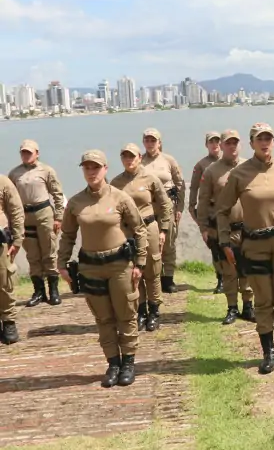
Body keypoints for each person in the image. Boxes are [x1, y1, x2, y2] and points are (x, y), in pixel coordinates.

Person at [215, 122, 274, 374]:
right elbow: (222, 210)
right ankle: (268, 354)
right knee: (264, 300)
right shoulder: (240, 174)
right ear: (252, 143)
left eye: (268, 138)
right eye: (259, 138)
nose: (264, 142)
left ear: (273, 141)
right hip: (254, 244)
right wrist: (225, 241)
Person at [58, 150, 148, 388]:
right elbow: (67, 235)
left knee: (126, 314)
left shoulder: (119, 197)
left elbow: (139, 230)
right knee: (103, 318)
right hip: (90, 268)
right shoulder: (76, 203)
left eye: (96, 167)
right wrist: (62, 264)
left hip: (119, 266)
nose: (91, 172)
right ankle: (113, 364)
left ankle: (129, 363)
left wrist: (140, 262)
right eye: (87, 168)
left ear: (105, 169)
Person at [111, 143, 173, 332]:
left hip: (149, 227)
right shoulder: (115, 183)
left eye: (132, 156)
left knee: (152, 270)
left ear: (139, 157)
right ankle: (141, 310)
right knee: (133, 271)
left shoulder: (150, 179)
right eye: (125, 157)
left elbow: (165, 205)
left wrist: (163, 229)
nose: (129, 160)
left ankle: (154, 312)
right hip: (128, 232)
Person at [197, 129, 254, 325]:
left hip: (247, 228)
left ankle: (248, 306)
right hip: (223, 229)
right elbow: (202, 201)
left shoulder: (250, 166)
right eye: (228, 143)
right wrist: (203, 228)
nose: (232, 146)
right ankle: (232, 308)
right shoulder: (211, 171)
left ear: (241, 145)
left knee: (247, 269)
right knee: (229, 271)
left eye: (235, 143)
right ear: (221, 146)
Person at [8, 139, 66, 307]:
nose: (26, 155)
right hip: (24, 216)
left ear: (37, 153)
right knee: (32, 255)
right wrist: (11, 221)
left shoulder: (46, 170)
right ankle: (38, 292)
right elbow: (9, 198)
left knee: (49, 251)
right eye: (23, 153)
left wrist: (59, 217)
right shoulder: (14, 173)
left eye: (29, 152)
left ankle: (53, 291)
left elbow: (57, 194)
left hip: (44, 213)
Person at [141, 128, 185, 293]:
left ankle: (168, 278)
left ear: (159, 142)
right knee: (149, 243)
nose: (150, 143)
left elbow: (180, 185)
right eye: (147, 140)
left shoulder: (168, 160)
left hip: (167, 206)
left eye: (153, 140)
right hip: (147, 207)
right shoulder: (139, 161)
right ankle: (154, 276)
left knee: (169, 243)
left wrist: (179, 208)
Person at [189, 131, 223, 293]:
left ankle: (237, 278)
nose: (215, 144)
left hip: (229, 210)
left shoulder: (229, 162)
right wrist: (192, 207)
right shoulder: (201, 165)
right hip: (210, 211)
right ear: (206, 145)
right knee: (215, 246)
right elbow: (194, 187)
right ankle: (221, 279)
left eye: (217, 141)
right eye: (212, 142)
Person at [0, 173, 25, 345]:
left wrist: (17, 239)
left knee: (4, 281)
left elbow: (16, 209)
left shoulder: (2, 181)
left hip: (0, 241)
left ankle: (9, 321)